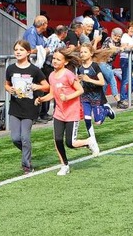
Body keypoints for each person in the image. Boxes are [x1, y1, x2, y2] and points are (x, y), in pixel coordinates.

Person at [35, 48, 100, 176]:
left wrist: (67, 97)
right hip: (59, 113)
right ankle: (64, 165)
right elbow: (52, 94)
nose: (55, 61)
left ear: (65, 62)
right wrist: (42, 99)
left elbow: (80, 90)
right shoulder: (52, 76)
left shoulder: (68, 74)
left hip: (72, 112)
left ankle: (89, 141)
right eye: (54, 58)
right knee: (57, 140)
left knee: (70, 143)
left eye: (58, 59)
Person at [5, 40, 50, 174]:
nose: (18, 52)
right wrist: (9, 89)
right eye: (16, 50)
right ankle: (27, 150)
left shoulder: (34, 70)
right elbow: (6, 84)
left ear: (28, 52)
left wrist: (38, 86)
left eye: (21, 50)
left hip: (30, 108)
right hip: (15, 107)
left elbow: (47, 86)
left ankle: (26, 165)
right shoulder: (11, 68)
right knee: (15, 138)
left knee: (25, 137)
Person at [77, 43, 115, 147]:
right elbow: (79, 81)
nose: (82, 54)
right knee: (87, 118)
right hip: (85, 97)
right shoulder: (79, 68)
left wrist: (89, 79)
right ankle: (92, 140)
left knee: (98, 122)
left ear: (91, 53)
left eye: (85, 52)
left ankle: (106, 110)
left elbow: (102, 82)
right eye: (81, 52)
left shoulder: (94, 66)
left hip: (96, 96)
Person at [22, 15, 52, 123]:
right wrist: (44, 50)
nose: (47, 26)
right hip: (31, 66)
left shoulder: (40, 34)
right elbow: (31, 50)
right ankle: (34, 116)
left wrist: (43, 49)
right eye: (46, 23)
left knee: (40, 90)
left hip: (39, 66)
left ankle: (40, 114)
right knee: (34, 90)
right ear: (43, 24)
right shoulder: (31, 33)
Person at [100, 27, 123, 106]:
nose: (117, 37)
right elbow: (112, 48)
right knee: (112, 80)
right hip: (102, 63)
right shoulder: (108, 39)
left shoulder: (118, 42)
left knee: (105, 83)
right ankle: (119, 101)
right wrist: (120, 48)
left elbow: (125, 46)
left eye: (119, 36)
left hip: (109, 64)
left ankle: (101, 101)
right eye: (115, 35)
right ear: (112, 34)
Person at [119, 22, 133, 106]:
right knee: (125, 80)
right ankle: (123, 99)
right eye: (131, 28)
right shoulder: (124, 36)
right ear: (127, 29)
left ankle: (126, 97)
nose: (132, 30)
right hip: (125, 59)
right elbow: (124, 47)